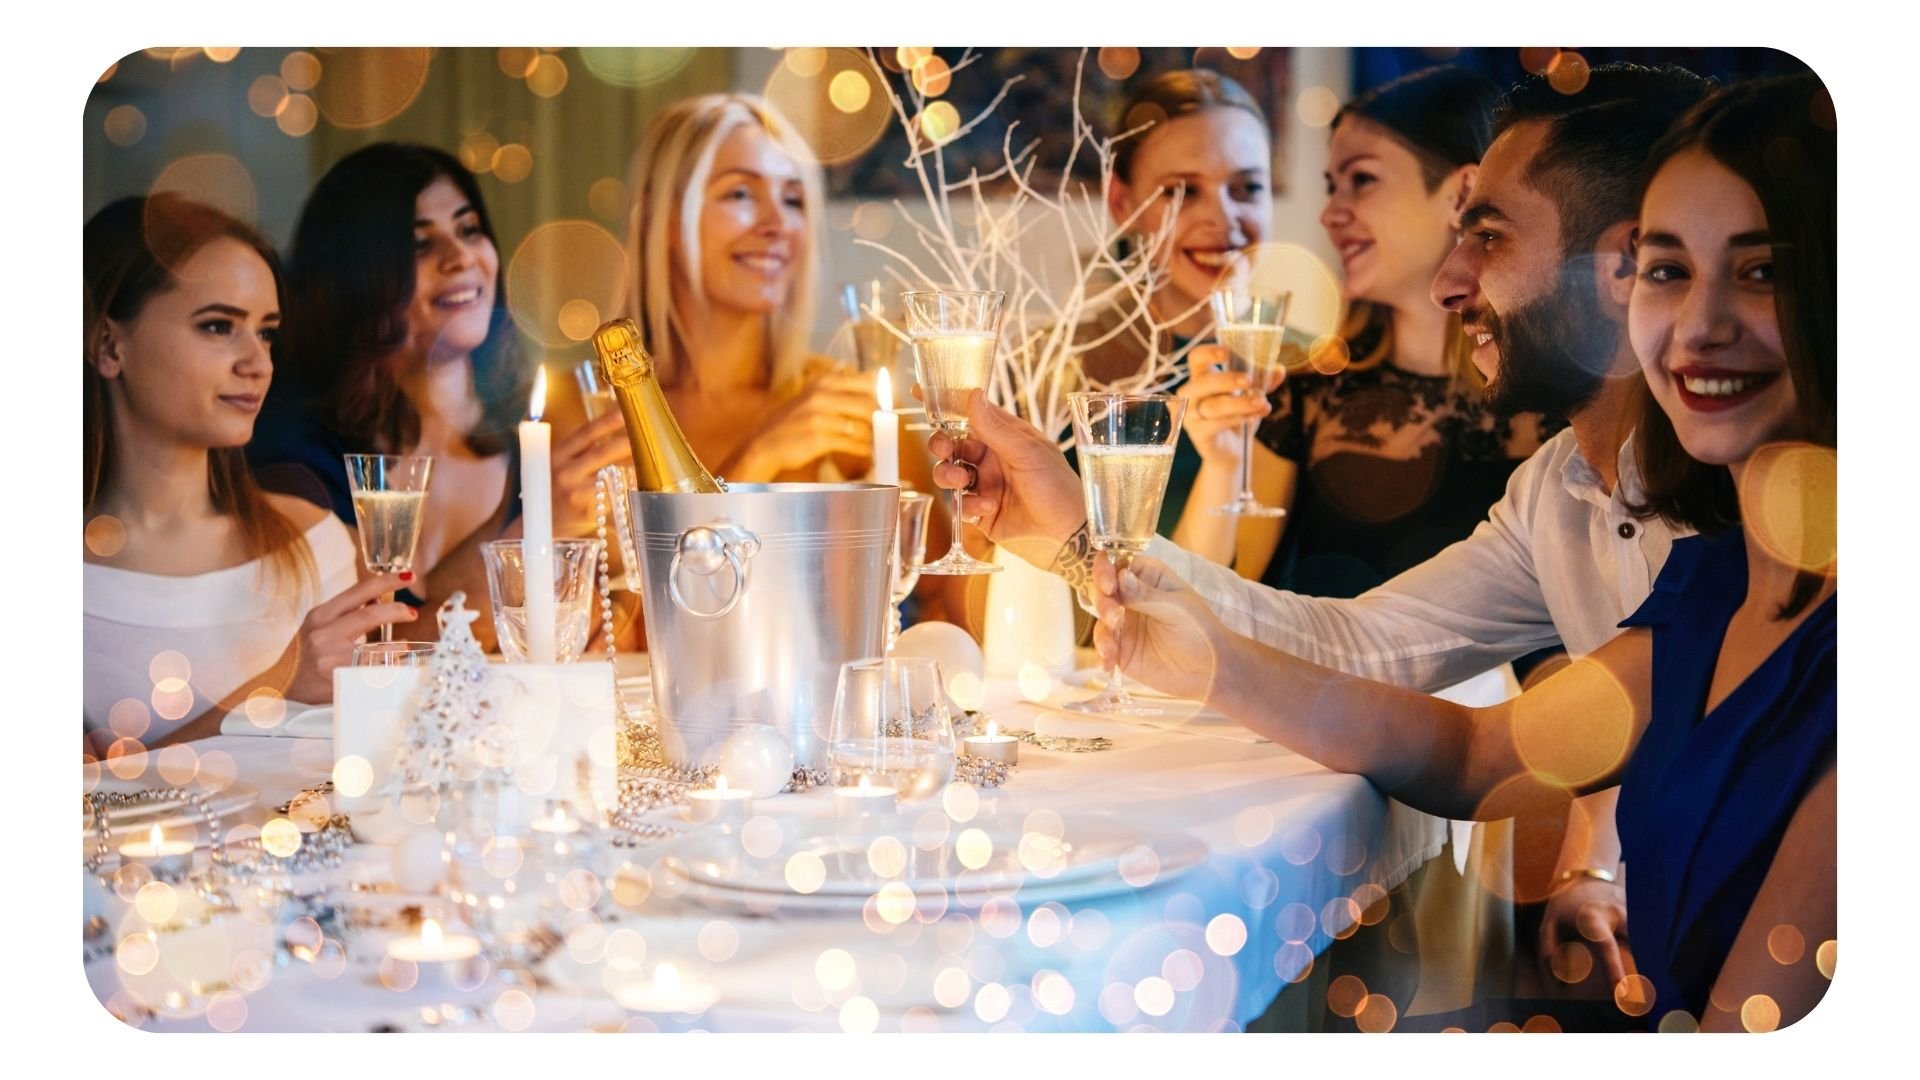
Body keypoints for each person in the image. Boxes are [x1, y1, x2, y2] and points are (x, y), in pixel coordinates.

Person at [928, 63, 1715, 1005]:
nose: (1453, 280)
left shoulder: (1750, 507)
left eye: (1490, 236)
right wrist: (1070, 541)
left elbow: (1481, 753)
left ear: (1623, 263)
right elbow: (1367, 643)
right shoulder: (1554, 489)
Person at [1092, 74, 1836, 1030]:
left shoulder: (1749, 557)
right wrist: (1089, 545)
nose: (1451, 283)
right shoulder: (1697, 571)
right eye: (1670, 269)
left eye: (1487, 236)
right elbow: (1454, 732)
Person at [1176, 66, 1551, 600]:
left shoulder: (1557, 404)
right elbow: (1200, 604)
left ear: (1464, 194)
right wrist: (1222, 464)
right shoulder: (1303, 389)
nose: (1330, 214)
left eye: (1362, 180)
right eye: (1332, 187)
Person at [248, 143, 630, 647]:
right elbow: (379, 656)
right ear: (354, 275)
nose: (461, 258)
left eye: (469, 230)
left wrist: (618, 606)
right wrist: (531, 523)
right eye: (419, 245)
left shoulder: (537, 443)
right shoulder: (298, 459)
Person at [85, 194, 411, 754]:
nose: (257, 363)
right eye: (217, 327)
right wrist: (278, 687)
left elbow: (376, 765)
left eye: (265, 332)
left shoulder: (317, 543)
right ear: (109, 344)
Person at [621, 93, 874, 484]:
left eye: (793, 200)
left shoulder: (842, 407)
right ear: (662, 219)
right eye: (740, 193)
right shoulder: (591, 411)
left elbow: (938, 545)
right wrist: (759, 456)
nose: (777, 223)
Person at [1074, 68, 1273, 555]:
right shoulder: (1059, 370)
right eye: (1181, 190)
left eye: (1246, 188)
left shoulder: (1312, 370)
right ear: (1123, 203)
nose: (1223, 219)